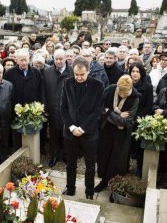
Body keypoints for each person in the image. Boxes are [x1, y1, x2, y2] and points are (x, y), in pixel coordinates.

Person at [60, 56, 104, 199]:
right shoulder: (67, 83)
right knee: (70, 164)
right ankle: (70, 188)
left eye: (82, 75)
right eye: (76, 74)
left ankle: (89, 191)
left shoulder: (98, 85)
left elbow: (97, 111)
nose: (79, 77)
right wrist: (72, 127)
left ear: (88, 71)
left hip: (89, 132)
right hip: (70, 131)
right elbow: (64, 108)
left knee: (90, 166)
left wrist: (83, 128)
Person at [95, 75, 139, 196]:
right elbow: (100, 109)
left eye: (125, 93)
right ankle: (103, 181)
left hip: (122, 134)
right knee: (103, 156)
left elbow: (127, 121)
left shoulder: (135, 97)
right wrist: (115, 113)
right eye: (120, 92)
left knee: (117, 161)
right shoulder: (109, 90)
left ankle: (115, 187)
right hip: (106, 130)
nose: (122, 95)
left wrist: (109, 112)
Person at [4, 48, 42, 152]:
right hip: (16, 110)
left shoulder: (36, 72)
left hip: (32, 110)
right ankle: (17, 155)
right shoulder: (9, 73)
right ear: (16, 60)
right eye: (21, 60)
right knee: (17, 135)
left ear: (29, 59)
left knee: (31, 134)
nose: (23, 62)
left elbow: (40, 91)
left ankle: (32, 153)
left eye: (25, 59)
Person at [43, 49, 73, 167]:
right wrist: (45, 107)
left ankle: (66, 155)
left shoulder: (72, 71)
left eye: (61, 59)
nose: (59, 61)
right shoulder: (47, 71)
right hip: (52, 107)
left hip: (68, 109)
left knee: (67, 133)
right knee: (54, 133)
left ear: (66, 58)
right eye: (56, 59)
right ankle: (54, 155)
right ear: (53, 59)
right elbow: (44, 90)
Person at [128, 62, 153, 177]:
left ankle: (139, 168)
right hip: (127, 119)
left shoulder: (147, 87)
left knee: (138, 148)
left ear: (141, 73)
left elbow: (148, 106)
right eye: (133, 71)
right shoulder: (126, 84)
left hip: (140, 121)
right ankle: (124, 166)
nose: (135, 74)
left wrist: (137, 119)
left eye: (137, 71)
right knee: (126, 146)